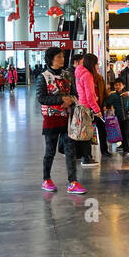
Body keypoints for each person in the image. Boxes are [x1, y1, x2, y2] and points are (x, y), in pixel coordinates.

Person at [36, 47, 84, 193]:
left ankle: (73, 182)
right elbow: (41, 97)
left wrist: (71, 100)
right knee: (50, 151)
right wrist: (61, 99)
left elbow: (76, 94)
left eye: (63, 57)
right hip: (51, 119)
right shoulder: (43, 77)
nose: (62, 59)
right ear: (51, 59)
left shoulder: (68, 75)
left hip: (68, 118)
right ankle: (46, 179)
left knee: (70, 151)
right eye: (59, 57)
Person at [74, 52, 107, 165]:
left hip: (82, 106)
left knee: (85, 133)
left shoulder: (79, 72)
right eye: (96, 63)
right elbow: (90, 97)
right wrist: (97, 110)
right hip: (87, 108)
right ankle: (86, 157)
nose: (97, 66)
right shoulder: (87, 75)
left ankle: (85, 156)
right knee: (87, 134)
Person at [106, 77, 129, 156]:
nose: (118, 86)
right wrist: (105, 106)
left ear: (123, 86)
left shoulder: (127, 94)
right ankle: (124, 146)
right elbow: (107, 102)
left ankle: (126, 149)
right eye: (116, 85)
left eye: (119, 85)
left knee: (127, 133)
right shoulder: (113, 96)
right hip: (117, 118)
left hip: (127, 118)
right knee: (121, 133)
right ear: (114, 86)